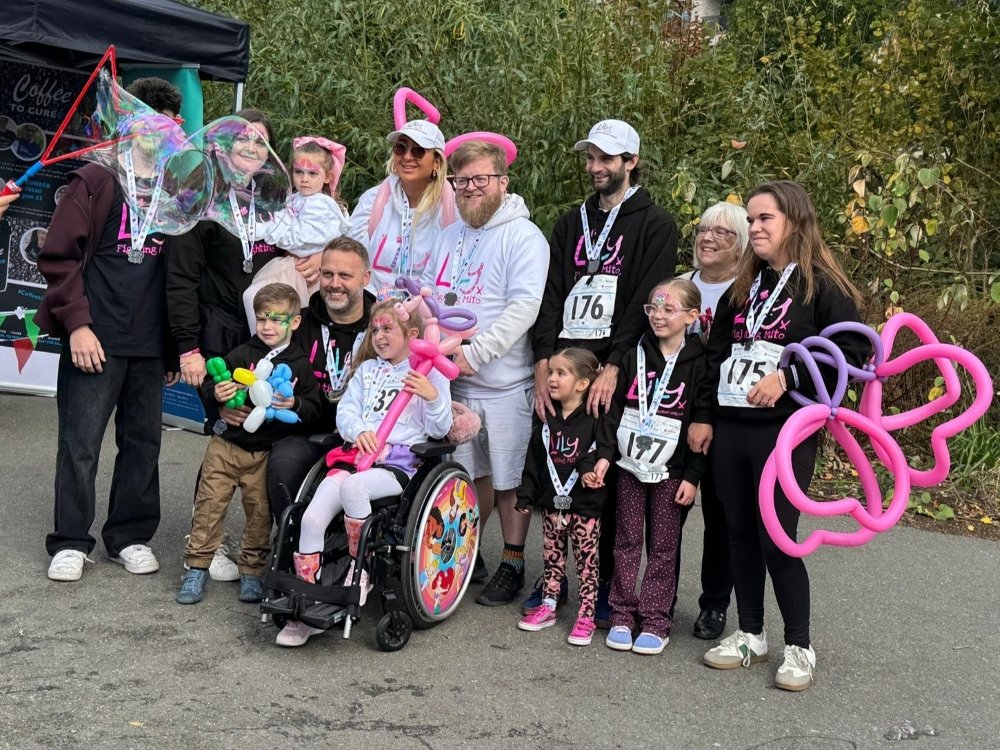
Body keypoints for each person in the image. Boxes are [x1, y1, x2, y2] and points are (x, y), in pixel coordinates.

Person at [692, 181, 869, 691]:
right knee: (737, 532)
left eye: (765, 218)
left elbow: (855, 354)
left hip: (785, 431)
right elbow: (713, 356)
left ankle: (799, 644)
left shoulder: (822, 287)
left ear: (793, 220)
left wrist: (790, 376)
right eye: (751, 220)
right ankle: (750, 633)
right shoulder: (744, 286)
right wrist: (703, 416)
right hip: (731, 426)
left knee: (776, 536)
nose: (755, 228)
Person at [530, 119, 679, 625]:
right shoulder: (570, 222)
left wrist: (616, 363)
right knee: (557, 464)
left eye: (606, 159)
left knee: (603, 475)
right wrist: (543, 361)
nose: (595, 167)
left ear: (630, 162)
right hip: (565, 366)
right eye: (590, 158)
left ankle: (609, 596)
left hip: (615, 365)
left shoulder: (655, 224)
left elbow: (646, 298)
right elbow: (551, 293)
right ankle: (555, 582)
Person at [38, 77, 183, 582]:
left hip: (148, 343)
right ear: (128, 125)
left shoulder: (176, 190)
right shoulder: (96, 181)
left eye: (163, 124)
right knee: (80, 443)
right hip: (94, 338)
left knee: (143, 445)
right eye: (143, 121)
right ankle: (72, 540)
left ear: (174, 129)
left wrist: (171, 348)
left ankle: (130, 535)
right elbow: (58, 257)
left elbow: (179, 276)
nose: (153, 132)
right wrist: (77, 325)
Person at [275, 299, 452, 647]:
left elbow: (440, 428)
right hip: (355, 456)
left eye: (389, 329)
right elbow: (346, 413)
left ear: (412, 334)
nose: (380, 336)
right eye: (376, 329)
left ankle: (361, 570)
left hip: (397, 465)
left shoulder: (429, 374)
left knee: (354, 489)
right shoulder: (368, 371)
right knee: (311, 519)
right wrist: (357, 431)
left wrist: (431, 397)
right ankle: (307, 600)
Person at [420, 139, 549, 606]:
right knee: (468, 473)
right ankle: (471, 553)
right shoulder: (448, 235)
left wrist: (475, 355)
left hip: (502, 381)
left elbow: (524, 308)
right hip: (451, 379)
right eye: (460, 181)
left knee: (510, 477)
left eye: (480, 179)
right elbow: (431, 296)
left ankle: (513, 562)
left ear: (502, 182)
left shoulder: (524, 236)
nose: (470, 189)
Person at [176, 283, 321, 605]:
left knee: (259, 516)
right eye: (261, 319)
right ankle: (197, 567)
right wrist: (216, 395)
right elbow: (214, 382)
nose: (267, 326)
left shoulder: (299, 363)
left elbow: (314, 408)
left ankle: (252, 572)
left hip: (265, 453)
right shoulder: (242, 352)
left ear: (294, 322)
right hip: (225, 447)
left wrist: (294, 404)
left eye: (276, 319)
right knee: (209, 507)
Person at [590, 279, 707, 655]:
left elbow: (701, 425)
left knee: (663, 546)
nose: (657, 316)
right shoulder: (633, 356)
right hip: (627, 466)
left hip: (670, 472)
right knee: (625, 541)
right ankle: (623, 613)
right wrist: (605, 454)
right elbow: (612, 413)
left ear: (691, 316)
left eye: (668, 309)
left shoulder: (700, 363)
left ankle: (656, 620)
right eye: (652, 309)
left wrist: (692, 476)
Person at [168, 109, 282, 406]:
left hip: (265, 334)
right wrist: (188, 348)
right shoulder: (201, 196)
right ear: (224, 144)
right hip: (215, 338)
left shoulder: (275, 199)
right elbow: (181, 278)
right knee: (227, 417)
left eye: (260, 142)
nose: (251, 147)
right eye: (242, 138)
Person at [267, 236, 375, 523]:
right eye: (327, 274)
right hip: (306, 431)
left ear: (365, 277)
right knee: (282, 465)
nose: (334, 283)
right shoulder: (298, 323)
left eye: (345, 275)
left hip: (364, 438)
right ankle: (293, 549)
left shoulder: (384, 329)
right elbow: (254, 356)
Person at [678, 201, 747, 641]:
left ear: (741, 245)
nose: (708, 237)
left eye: (722, 232)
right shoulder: (678, 285)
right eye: (704, 229)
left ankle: (714, 605)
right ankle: (652, 594)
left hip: (725, 415)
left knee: (721, 516)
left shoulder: (750, 292)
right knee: (667, 508)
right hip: (672, 413)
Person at [514, 349, 611, 647]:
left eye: (560, 373)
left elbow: (600, 451)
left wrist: (588, 471)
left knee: (587, 564)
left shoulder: (594, 420)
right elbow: (534, 462)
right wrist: (526, 495)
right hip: (551, 507)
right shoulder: (546, 420)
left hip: (585, 507)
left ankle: (586, 612)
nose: (551, 378)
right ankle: (549, 605)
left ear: (582, 384)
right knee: (552, 560)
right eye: (551, 372)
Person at [241, 136, 351, 330]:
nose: (304, 178)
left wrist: (268, 229)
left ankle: (265, 349)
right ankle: (264, 350)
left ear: (327, 177)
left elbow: (302, 240)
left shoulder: (322, 204)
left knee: (261, 300)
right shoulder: (295, 198)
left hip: (304, 272)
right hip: (293, 267)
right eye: (298, 171)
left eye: (312, 173)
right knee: (261, 303)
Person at [349, 119, 456, 295]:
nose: (407, 156)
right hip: (374, 306)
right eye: (401, 148)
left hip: (428, 310)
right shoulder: (374, 200)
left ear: (437, 162)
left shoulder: (452, 208)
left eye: (418, 150)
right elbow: (353, 257)